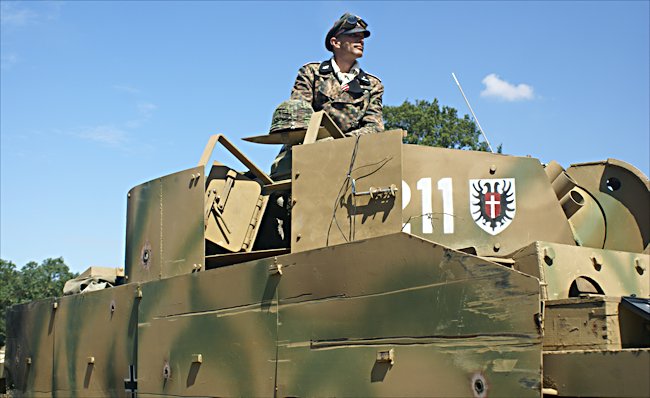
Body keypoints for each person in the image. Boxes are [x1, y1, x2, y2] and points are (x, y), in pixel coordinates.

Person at [291, 13, 384, 136]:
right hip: (310, 145)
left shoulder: (373, 85)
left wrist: (340, 144)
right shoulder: (311, 73)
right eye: (354, 35)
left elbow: (375, 127)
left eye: (362, 37)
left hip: (353, 149)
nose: (361, 40)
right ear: (335, 42)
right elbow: (298, 116)